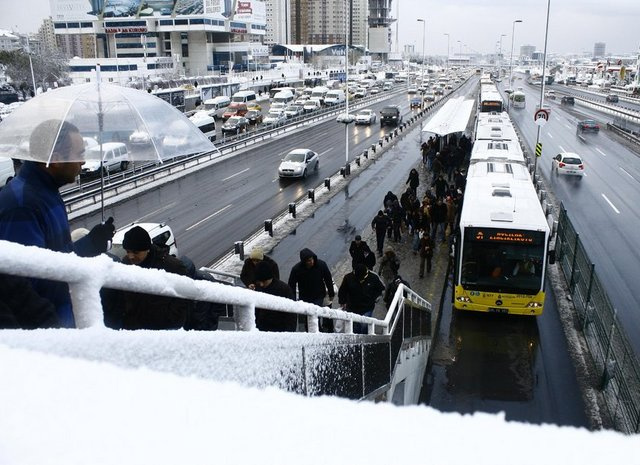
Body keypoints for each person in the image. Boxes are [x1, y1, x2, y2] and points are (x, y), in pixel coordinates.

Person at [0, 120, 115, 328]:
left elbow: (56, 262)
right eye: (78, 154)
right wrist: (58, 333)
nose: (83, 162)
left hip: (65, 316)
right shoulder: (22, 205)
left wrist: (91, 243)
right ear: (54, 159)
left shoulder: (46, 192)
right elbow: (24, 287)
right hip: (52, 332)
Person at [118, 226, 190, 330]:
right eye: (128, 251)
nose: (131, 256)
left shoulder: (172, 266)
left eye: (135, 252)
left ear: (147, 249)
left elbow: (184, 295)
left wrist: (171, 319)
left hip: (163, 329)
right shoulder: (125, 264)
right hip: (134, 328)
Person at [288, 248, 335, 331]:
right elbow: (291, 286)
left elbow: (328, 279)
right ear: (304, 262)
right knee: (308, 317)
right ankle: (310, 331)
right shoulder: (296, 270)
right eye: (309, 261)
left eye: (312, 259)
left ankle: (317, 330)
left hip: (318, 295)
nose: (311, 262)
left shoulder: (321, 265)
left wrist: (331, 293)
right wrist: (293, 300)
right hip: (305, 297)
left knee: (315, 314)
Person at [338, 263, 385, 334]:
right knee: (355, 326)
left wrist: (375, 298)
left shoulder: (373, 277)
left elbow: (380, 289)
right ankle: (358, 339)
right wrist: (342, 302)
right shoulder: (348, 278)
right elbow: (342, 290)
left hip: (367, 307)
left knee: (364, 325)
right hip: (352, 307)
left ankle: (364, 337)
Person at [254, 261, 297, 332]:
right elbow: (256, 310)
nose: (261, 284)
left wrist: (290, 332)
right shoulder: (259, 288)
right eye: (259, 282)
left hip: (280, 329)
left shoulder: (284, 289)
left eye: (264, 282)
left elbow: (292, 313)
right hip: (262, 329)